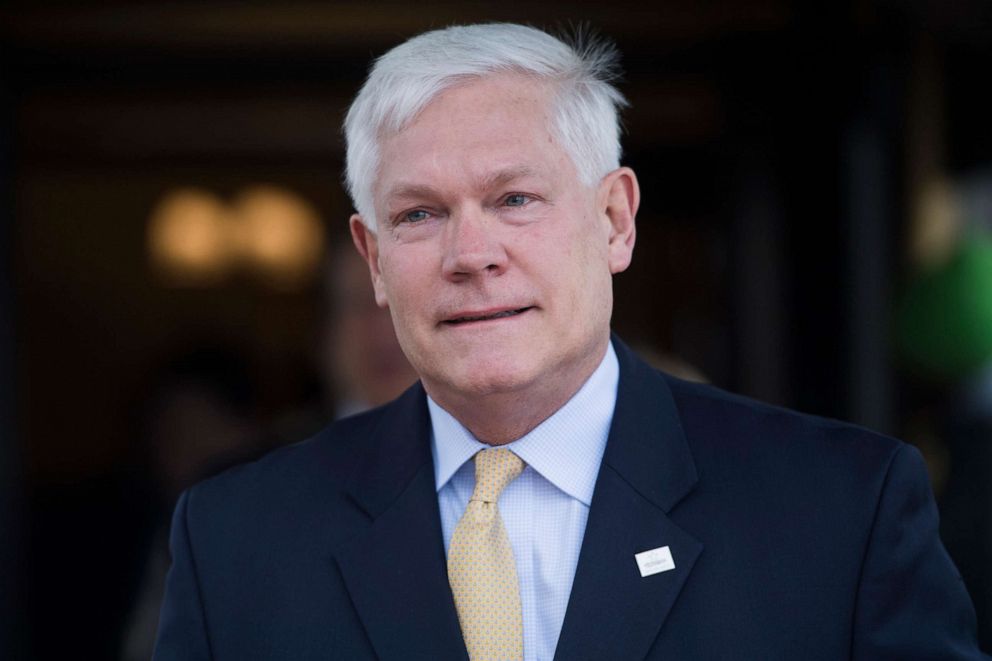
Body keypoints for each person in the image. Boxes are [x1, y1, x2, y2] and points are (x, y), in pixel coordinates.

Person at [153, 23, 987, 660]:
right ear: (372, 261)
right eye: (419, 214)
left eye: (515, 198)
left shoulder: (840, 511)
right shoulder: (237, 540)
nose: (472, 253)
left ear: (616, 220)